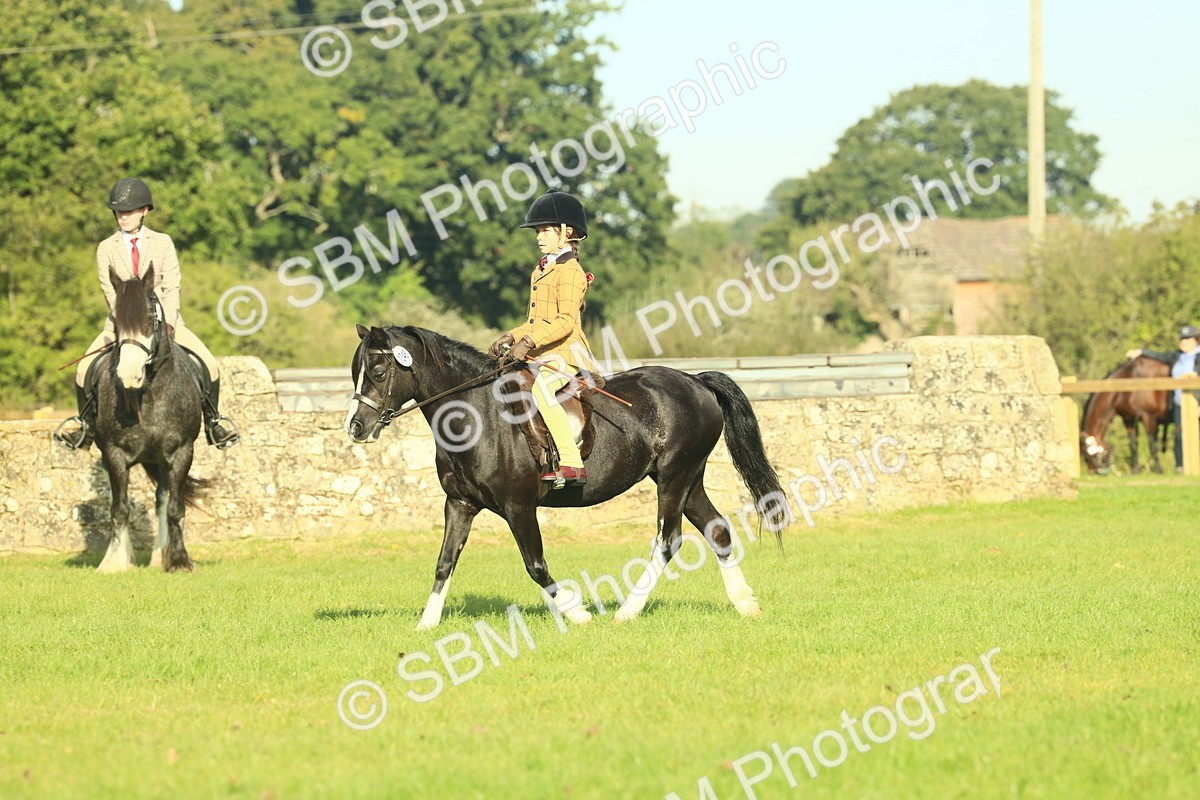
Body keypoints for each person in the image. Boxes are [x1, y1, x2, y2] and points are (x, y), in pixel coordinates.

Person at [55, 178, 239, 451]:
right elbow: (109, 290)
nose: (123, 215)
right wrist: (126, 324)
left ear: (144, 211)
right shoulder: (106, 248)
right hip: (121, 326)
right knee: (83, 370)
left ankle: (214, 422)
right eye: (119, 211)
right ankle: (86, 427)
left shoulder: (163, 243)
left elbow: (172, 284)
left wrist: (169, 322)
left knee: (209, 364)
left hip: (164, 322)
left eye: (129, 210)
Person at [488, 189, 597, 487]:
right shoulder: (541, 271)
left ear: (566, 232)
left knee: (543, 392)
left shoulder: (571, 272)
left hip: (567, 353)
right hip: (544, 353)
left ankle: (572, 463)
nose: (538, 236)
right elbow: (535, 322)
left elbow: (565, 322)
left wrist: (531, 342)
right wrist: (511, 336)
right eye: (537, 231)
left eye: (545, 230)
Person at [1126, 324, 1199, 471]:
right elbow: (1160, 356)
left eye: (1187, 338)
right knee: (1179, 436)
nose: (1183, 342)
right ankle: (1181, 467)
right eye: (1182, 339)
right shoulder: (1178, 356)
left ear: (1196, 340)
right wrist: (1141, 351)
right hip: (1180, 403)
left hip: (1197, 403)